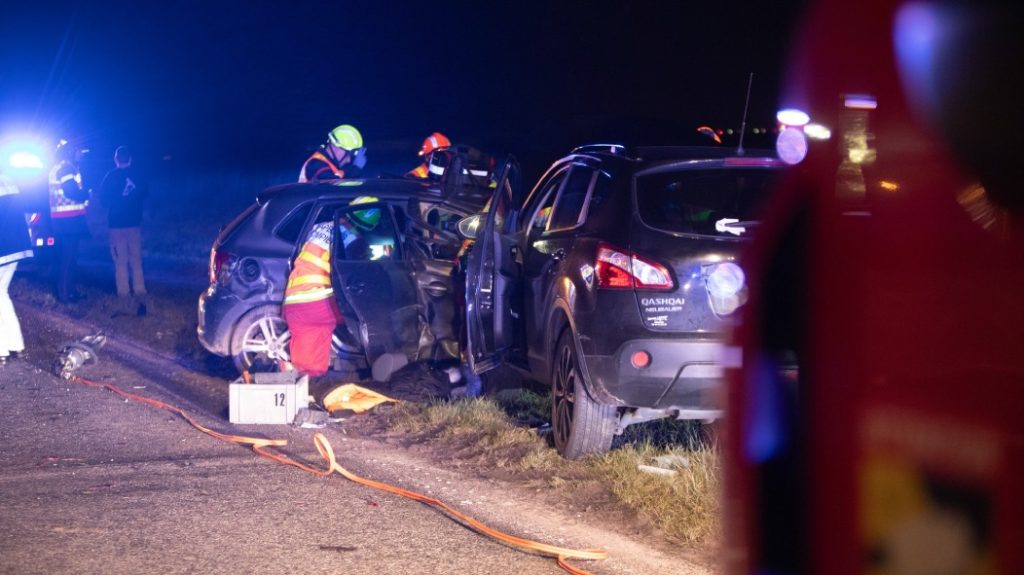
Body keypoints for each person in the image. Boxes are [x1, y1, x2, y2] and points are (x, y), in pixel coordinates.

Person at [281, 195, 381, 377]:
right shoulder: (351, 237)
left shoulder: (321, 226)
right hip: (317, 301)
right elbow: (360, 267)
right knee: (370, 313)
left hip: (295, 302)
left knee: (308, 366)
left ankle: (297, 379)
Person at [98, 146, 148, 308]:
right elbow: (145, 195)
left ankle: (124, 293)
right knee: (136, 259)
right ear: (130, 159)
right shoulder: (139, 175)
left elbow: (103, 201)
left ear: (116, 159)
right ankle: (140, 290)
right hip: (134, 224)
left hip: (116, 226)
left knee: (120, 261)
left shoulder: (110, 177)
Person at [48, 138, 91, 302]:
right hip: (68, 222)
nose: (81, 153)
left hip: (64, 221)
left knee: (70, 257)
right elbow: (71, 191)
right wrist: (86, 194)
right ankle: (66, 294)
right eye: (78, 150)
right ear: (71, 152)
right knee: (69, 258)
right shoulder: (66, 168)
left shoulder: (60, 168)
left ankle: (69, 291)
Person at [0, 170, 33, 366]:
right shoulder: (8, 179)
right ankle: (16, 345)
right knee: (1, 294)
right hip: (17, 247)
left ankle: (1, 349)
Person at [298, 124, 366, 183]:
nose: (348, 160)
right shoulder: (316, 164)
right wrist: (356, 169)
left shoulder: (332, 165)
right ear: (337, 148)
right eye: (348, 154)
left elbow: (341, 175)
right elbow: (332, 185)